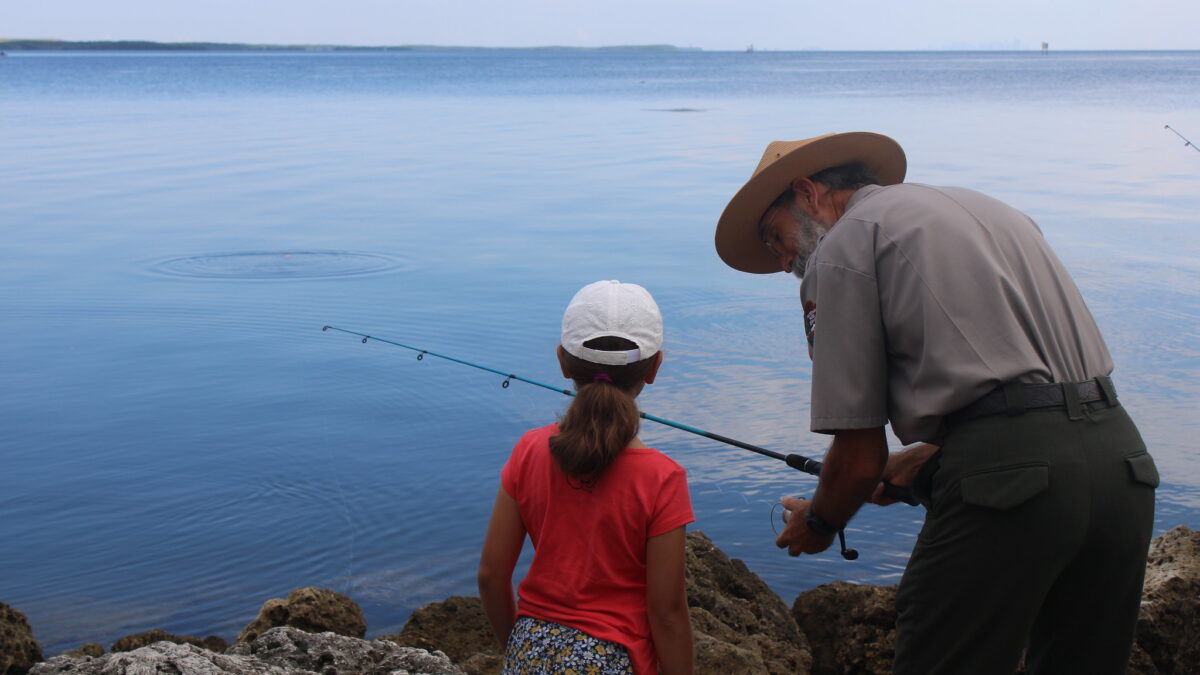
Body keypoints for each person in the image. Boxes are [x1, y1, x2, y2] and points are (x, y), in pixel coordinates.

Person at [714, 132, 1158, 675]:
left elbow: (857, 455)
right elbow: (1027, 392)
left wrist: (823, 520)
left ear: (807, 192)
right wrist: (923, 462)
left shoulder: (842, 248)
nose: (782, 260)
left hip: (1009, 488)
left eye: (773, 235)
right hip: (1124, 465)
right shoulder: (997, 212)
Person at [478, 280, 695, 675]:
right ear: (655, 368)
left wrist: (522, 652)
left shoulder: (529, 449)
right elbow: (666, 612)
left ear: (562, 361)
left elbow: (492, 576)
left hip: (528, 649)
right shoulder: (663, 478)